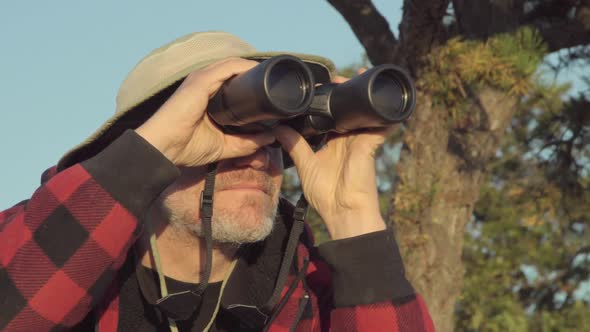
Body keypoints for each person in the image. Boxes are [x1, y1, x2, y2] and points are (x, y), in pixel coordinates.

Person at [0, 31, 434, 331]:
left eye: (273, 130)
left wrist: (355, 223)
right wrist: (133, 165)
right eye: (227, 125)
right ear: (155, 144)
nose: (252, 152)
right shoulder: (47, 253)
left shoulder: (320, 296)